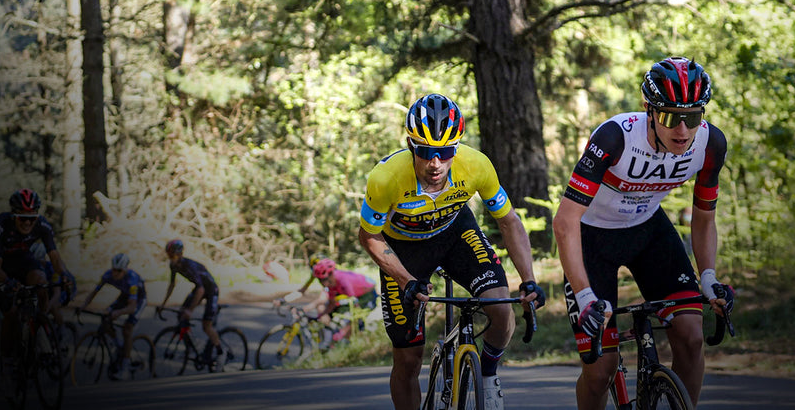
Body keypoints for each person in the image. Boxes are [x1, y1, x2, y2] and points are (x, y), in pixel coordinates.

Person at [552, 57, 735, 409]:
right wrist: (585, 295)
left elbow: (704, 218)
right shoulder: (615, 137)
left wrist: (709, 276)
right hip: (593, 238)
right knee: (600, 371)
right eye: (670, 116)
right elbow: (565, 221)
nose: (682, 130)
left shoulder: (710, 145)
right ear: (649, 110)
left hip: (649, 231)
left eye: (693, 117)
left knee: (691, 337)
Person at [358, 93, 546, 410]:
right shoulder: (386, 178)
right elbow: (369, 237)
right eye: (426, 151)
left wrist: (528, 280)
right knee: (408, 357)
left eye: (445, 153)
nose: (435, 163)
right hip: (404, 250)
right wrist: (406, 280)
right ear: (410, 145)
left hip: (455, 234)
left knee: (501, 309)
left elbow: (509, 221)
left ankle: (487, 374)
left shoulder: (476, 165)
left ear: (455, 148)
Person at [0, 189, 71, 384]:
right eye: (22, 218)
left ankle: (39, 327)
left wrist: (65, 275)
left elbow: (55, 259)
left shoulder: (42, 225)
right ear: (14, 215)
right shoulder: (1, 224)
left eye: (31, 219)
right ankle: (7, 362)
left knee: (41, 280)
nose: (27, 223)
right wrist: (7, 282)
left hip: (23, 260)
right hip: (2, 265)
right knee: (11, 314)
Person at [75, 253, 147, 380]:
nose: (115, 273)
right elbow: (95, 291)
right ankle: (119, 345)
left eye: (118, 271)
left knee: (127, 328)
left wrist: (118, 313)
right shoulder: (108, 275)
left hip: (138, 300)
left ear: (125, 270)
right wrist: (84, 305)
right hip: (124, 297)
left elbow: (131, 308)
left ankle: (125, 364)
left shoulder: (132, 279)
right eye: (114, 269)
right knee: (106, 317)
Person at [156, 239, 225, 369]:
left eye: (172, 255)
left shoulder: (189, 265)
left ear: (179, 254)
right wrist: (163, 304)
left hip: (211, 290)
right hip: (199, 289)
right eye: (169, 255)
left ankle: (221, 352)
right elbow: (172, 285)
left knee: (206, 326)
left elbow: (201, 289)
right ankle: (192, 346)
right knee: (181, 314)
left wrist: (190, 310)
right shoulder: (173, 265)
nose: (170, 258)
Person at [303, 258, 378, 343]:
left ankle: (351, 339)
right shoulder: (331, 284)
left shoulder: (343, 280)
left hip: (368, 294)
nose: (322, 283)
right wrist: (319, 316)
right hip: (357, 295)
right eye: (319, 280)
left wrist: (344, 331)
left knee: (355, 316)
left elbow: (355, 307)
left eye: (323, 280)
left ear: (331, 275)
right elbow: (332, 303)